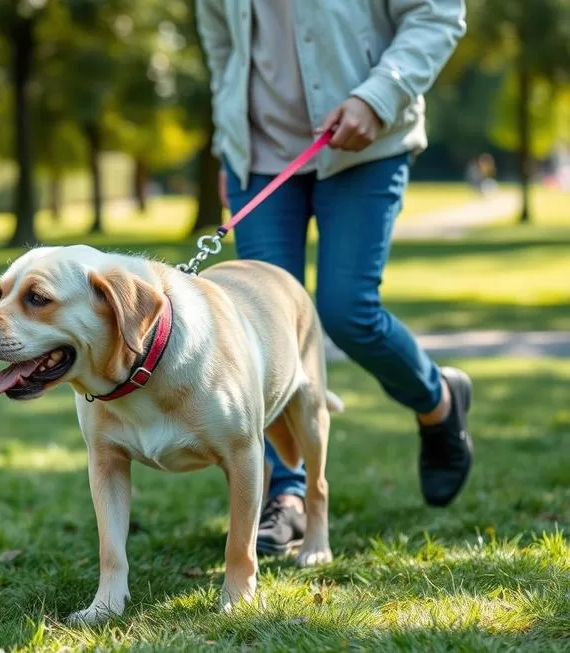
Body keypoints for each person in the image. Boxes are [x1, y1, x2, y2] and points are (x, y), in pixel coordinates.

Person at [196, 0, 473, 556]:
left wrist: (379, 94)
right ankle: (288, 493)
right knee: (263, 335)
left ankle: (438, 399)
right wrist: (229, 141)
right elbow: (222, 48)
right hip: (257, 158)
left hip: (367, 144)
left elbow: (436, 13)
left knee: (348, 311)